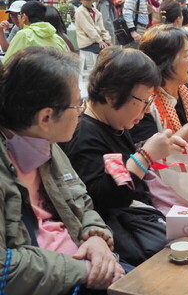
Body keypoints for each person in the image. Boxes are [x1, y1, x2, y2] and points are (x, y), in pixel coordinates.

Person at [0, 47, 125, 294]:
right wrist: (85, 271)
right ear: (46, 118)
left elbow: (83, 204)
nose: (81, 111)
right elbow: (4, 269)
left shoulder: (47, 147)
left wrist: (96, 237)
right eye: (77, 104)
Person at [62, 46, 188, 266]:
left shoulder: (116, 125)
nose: (147, 110)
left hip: (145, 225)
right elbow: (103, 200)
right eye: (143, 101)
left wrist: (160, 150)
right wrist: (146, 156)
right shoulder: (84, 136)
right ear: (111, 97)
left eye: (150, 102)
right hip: (124, 243)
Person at [3, 1, 68, 62]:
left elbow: (7, 62)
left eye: (19, 15)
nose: (17, 19)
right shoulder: (57, 38)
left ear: (24, 17)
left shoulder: (24, 35)